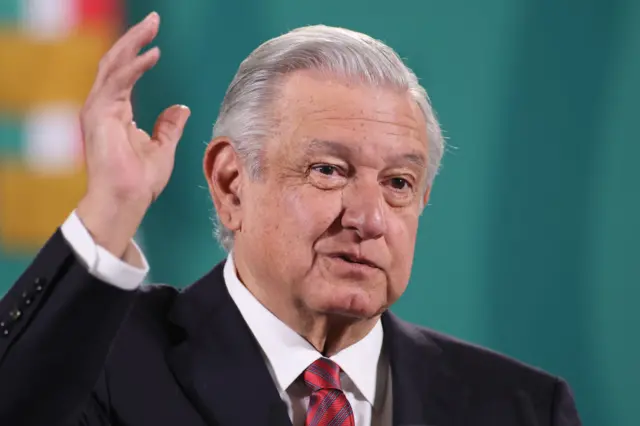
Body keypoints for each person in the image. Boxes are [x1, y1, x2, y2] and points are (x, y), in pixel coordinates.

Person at [0, 11, 581, 426]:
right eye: (329, 170)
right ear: (231, 184)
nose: (370, 218)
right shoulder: (102, 360)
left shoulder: (522, 408)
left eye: (399, 183)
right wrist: (112, 208)